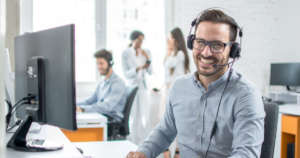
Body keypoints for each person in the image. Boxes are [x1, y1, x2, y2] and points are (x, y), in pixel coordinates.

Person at [126, 9, 265, 158]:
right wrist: (143, 152)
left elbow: (246, 154)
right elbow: (164, 132)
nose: (206, 53)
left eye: (217, 45)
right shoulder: (178, 87)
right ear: (192, 42)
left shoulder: (246, 95)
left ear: (233, 50)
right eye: (200, 42)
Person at [76, 49, 127, 136]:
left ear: (110, 63)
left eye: (101, 63)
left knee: (82, 127)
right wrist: (74, 105)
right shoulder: (102, 82)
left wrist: (83, 109)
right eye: (97, 63)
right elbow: (90, 101)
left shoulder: (118, 83)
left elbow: (107, 106)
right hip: (102, 117)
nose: (99, 67)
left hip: (111, 122)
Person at [158, 27, 190, 158]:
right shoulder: (172, 53)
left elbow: (169, 64)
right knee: (162, 120)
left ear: (176, 39)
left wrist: (170, 49)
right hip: (167, 91)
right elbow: (165, 65)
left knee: (177, 122)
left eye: (170, 37)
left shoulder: (180, 54)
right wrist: (169, 49)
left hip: (177, 92)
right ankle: (166, 151)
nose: (168, 40)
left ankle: (177, 152)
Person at [122, 30, 153, 145]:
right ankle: (132, 146)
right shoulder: (126, 53)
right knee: (133, 119)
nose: (141, 42)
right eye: (139, 40)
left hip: (143, 88)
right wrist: (138, 68)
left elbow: (150, 71)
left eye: (142, 40)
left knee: (146, 119)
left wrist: (147, 57)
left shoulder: (146, 52)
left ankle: (146, 148)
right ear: (132, 40)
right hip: (132, 88)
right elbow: (126, 74)